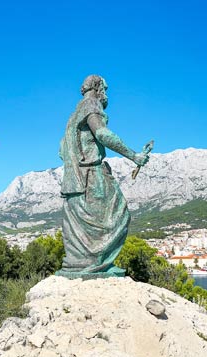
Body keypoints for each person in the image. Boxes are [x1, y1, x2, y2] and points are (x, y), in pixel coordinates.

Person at [56, 74, 150, 278]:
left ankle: (81, 264)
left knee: (83, 226)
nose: (106, 95)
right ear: (98, 88)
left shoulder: (73, 117)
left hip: (73, 179)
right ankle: (97, 266)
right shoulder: (91, 105)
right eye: (105, 89)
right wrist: (133, 155)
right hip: (91, 174)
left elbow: (61, 150)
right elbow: (102, 134)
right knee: (120, 214)